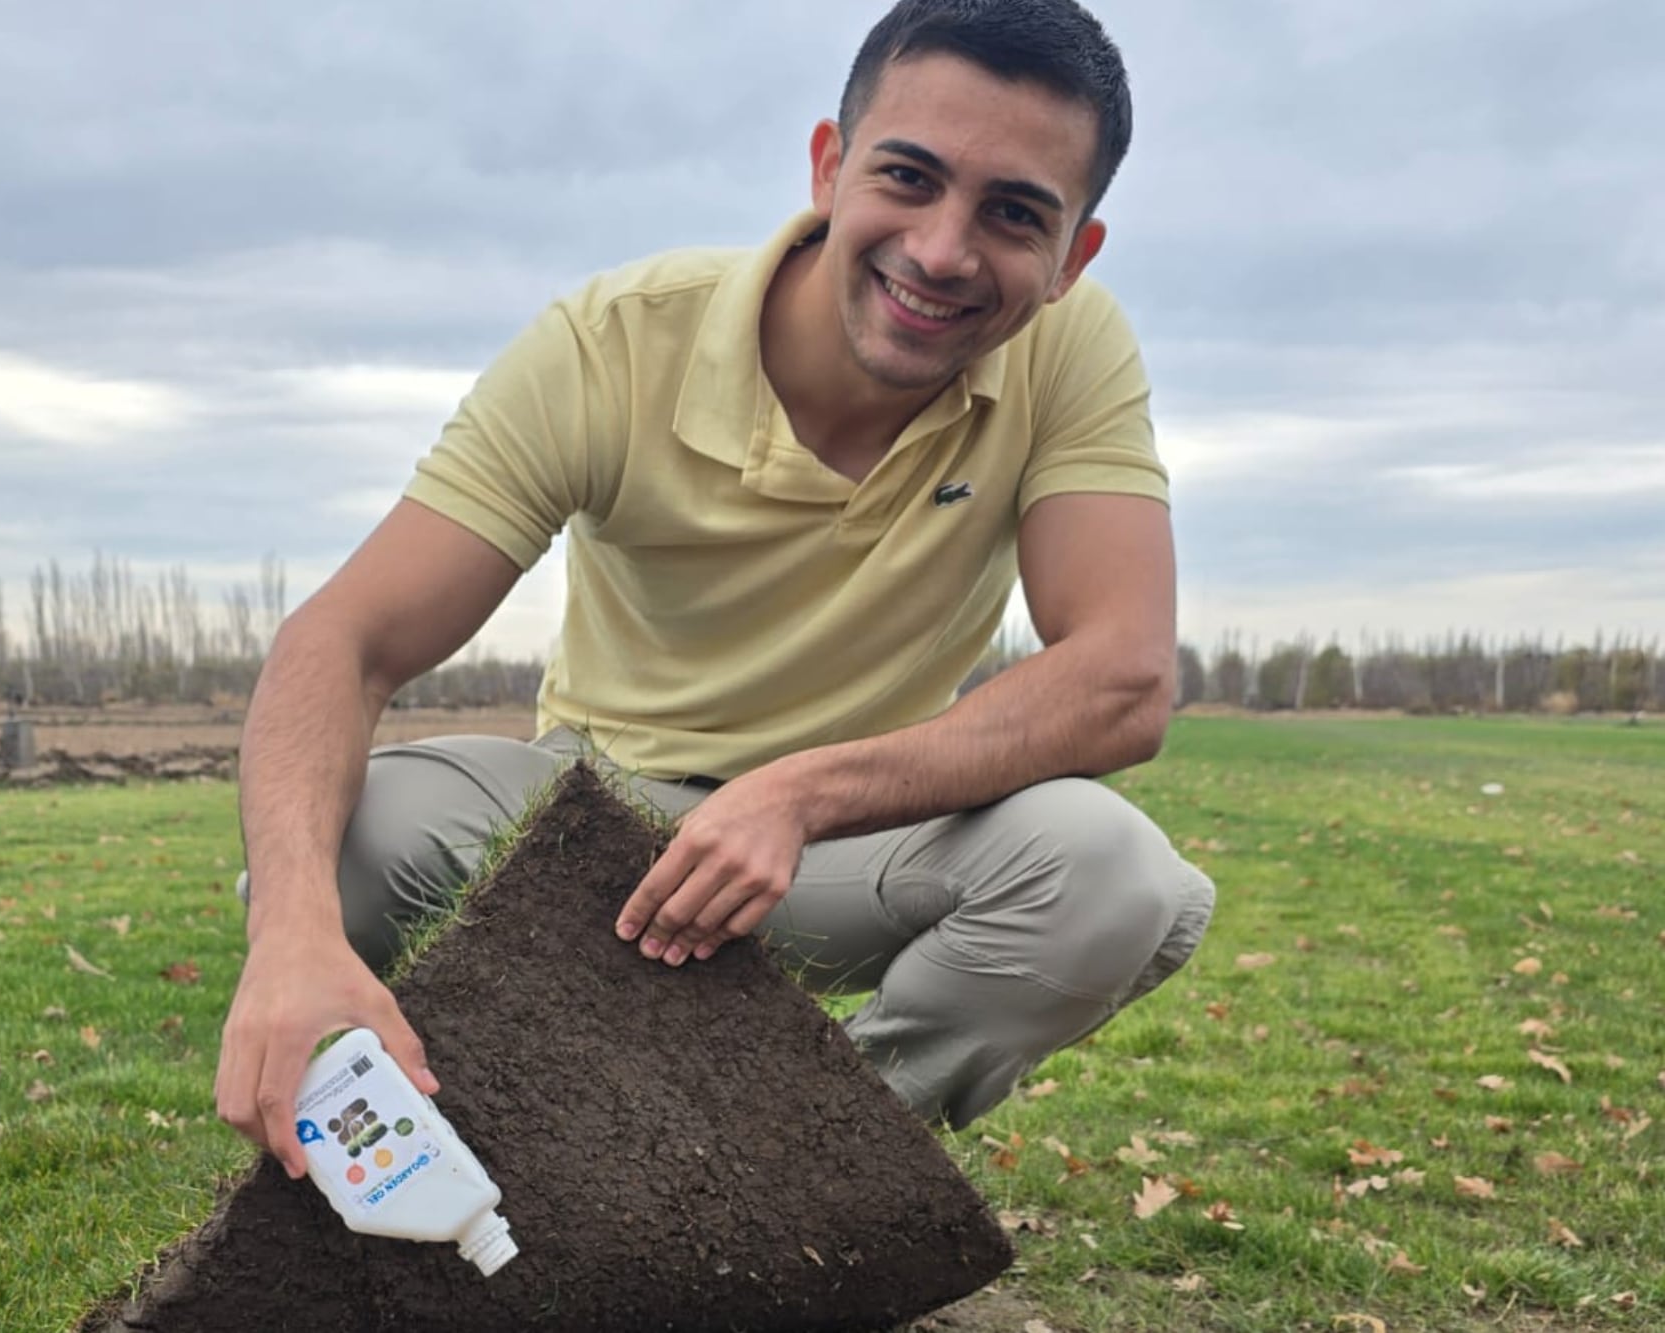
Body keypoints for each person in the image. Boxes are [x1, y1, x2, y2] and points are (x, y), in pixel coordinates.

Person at [216, 0, 1216, 1183]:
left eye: (1013, 214)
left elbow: (1121, 678)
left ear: (1072, 258)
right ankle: (423, 1152)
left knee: (1113, 876)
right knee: (343, 843)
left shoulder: (1071, 348)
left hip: (845, 843)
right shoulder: (612, 343)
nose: (943, 250)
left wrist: (798, 794)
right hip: (592, 824)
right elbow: (347, 638)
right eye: (907, 176)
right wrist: (287, 935)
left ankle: (781, 1188)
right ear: (828, 166)